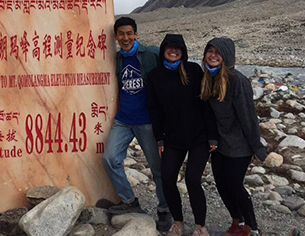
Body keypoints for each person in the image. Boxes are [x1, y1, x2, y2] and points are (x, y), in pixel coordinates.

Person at [101, 16, 172, 231]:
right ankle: (129, 201)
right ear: (115, 37)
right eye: (121, 34)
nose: (125, 38)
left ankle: (164, 209)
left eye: (129, 33)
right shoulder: (117, 59)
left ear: (136, 34)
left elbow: (169, 74)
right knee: (110, 158)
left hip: (147, 121)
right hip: (124, 120)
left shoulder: (150, 53)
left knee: (158, 169)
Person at [146, 34, 218, 236]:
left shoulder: (193, 70)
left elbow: (206, 103)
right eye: (169, 47)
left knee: (192, 180)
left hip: (199, 136)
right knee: (167, 178)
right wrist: (159, 138)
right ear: (163, 50)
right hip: (172, 137)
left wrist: (212, 135)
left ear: (183, 51)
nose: (173, 51)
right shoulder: (154, 76)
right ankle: (178, 222)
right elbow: (155, 109)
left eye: (177, 48)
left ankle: (200, 226)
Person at [201, 37, 266, 236]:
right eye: (209, 51)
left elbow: (248, 117)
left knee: (235, 184)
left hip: (239, 145)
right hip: (220, 143)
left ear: (226, 56)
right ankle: (236, 221)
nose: (212, 55)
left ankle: (252, 227)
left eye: (217, 52)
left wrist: (257, 147)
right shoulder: (208, 79)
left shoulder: (237, 80)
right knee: (221, 184)